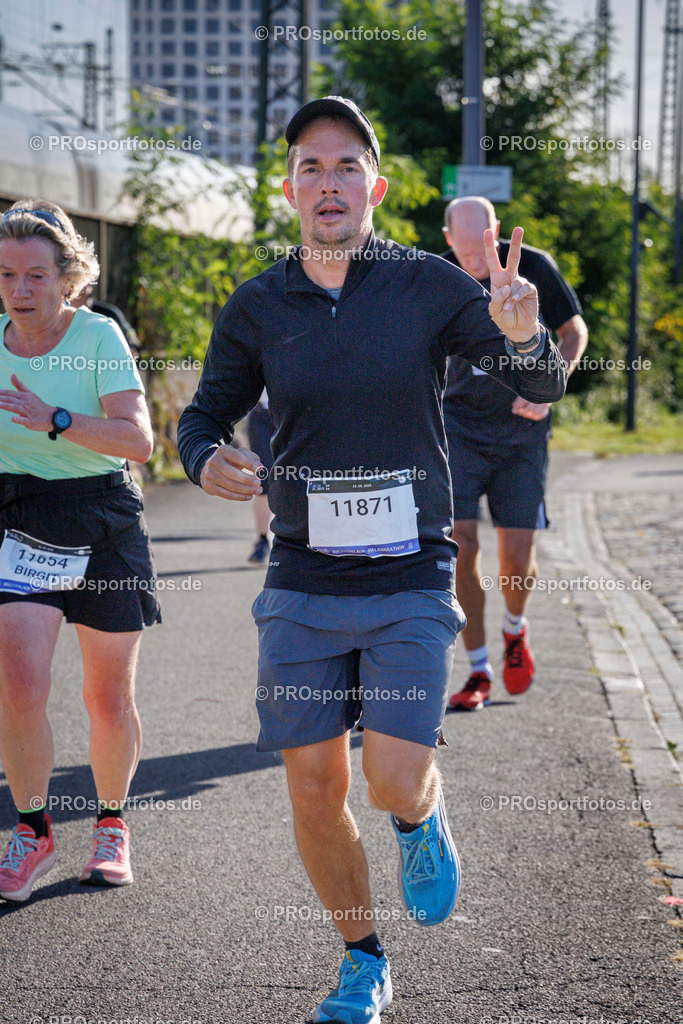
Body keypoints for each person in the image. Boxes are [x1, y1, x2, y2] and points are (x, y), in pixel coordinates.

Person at [177, 97, 566, 1023]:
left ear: (374, 187)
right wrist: (207, 461)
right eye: (310, 168)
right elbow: (200, 416)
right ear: (288, 190)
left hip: (408, 570)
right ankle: (361, 960)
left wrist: (522, 335)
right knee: (314, 784)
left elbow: (540, 383)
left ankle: (420, 820)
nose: (327, 183)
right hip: (305, 574)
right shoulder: (260, 301)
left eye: (345, 166)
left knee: (391, 776)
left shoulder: (430, 285)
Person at [0, 200, 161, 903]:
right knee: (18, 683)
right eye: (7, 275)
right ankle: (32, 831)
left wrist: (56, 419)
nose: (21, 289)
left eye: (36, 275)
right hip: (18, 518)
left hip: (101, 517)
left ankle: (111, 824)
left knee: (105, 696)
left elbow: (138, 442)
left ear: (68, 277)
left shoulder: (97, 337)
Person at [441, 197, 588, 712]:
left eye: (483, 238)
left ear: (496, 230)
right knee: (458, 546)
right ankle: (478, 669)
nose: (476, 252)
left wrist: (554, 385)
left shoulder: (535, 266)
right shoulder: (438, 280)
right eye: (463, 242)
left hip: (521, 433)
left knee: (516, 558)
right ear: (447, 239)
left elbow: (574, 332)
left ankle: (514, 629)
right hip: (457, 430)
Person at [245, 390, 274, 564]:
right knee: (263, 474)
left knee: (298, 474)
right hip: (261, 414)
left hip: (296, 412)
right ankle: (263, 540)